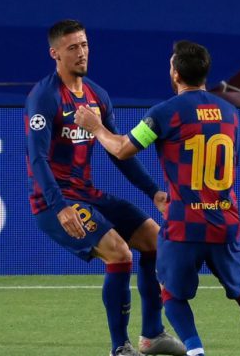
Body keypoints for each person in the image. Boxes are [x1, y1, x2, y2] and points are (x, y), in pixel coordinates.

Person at [74, 40, 240, 356]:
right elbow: (234, 161)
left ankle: (196, 350)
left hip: (185, 222)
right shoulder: (230, 113)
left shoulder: (164, 114)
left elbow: (122, 149)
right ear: (205, 73)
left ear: (174, 73)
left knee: (170, 293)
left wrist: (96, 127)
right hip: (224, 218)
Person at [25, 19, 186, 356]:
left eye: (84, 44)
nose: (81, 52)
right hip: (54, 202)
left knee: (155, 240)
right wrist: (59, 206)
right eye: (72, 47)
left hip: (87, 193)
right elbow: (37, 158)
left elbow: (119, 153)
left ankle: (152, 336)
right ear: (55, 53)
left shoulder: (98, 95)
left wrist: (153, 191)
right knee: (119, 253)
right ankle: (119, 347)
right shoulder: (45, 97)